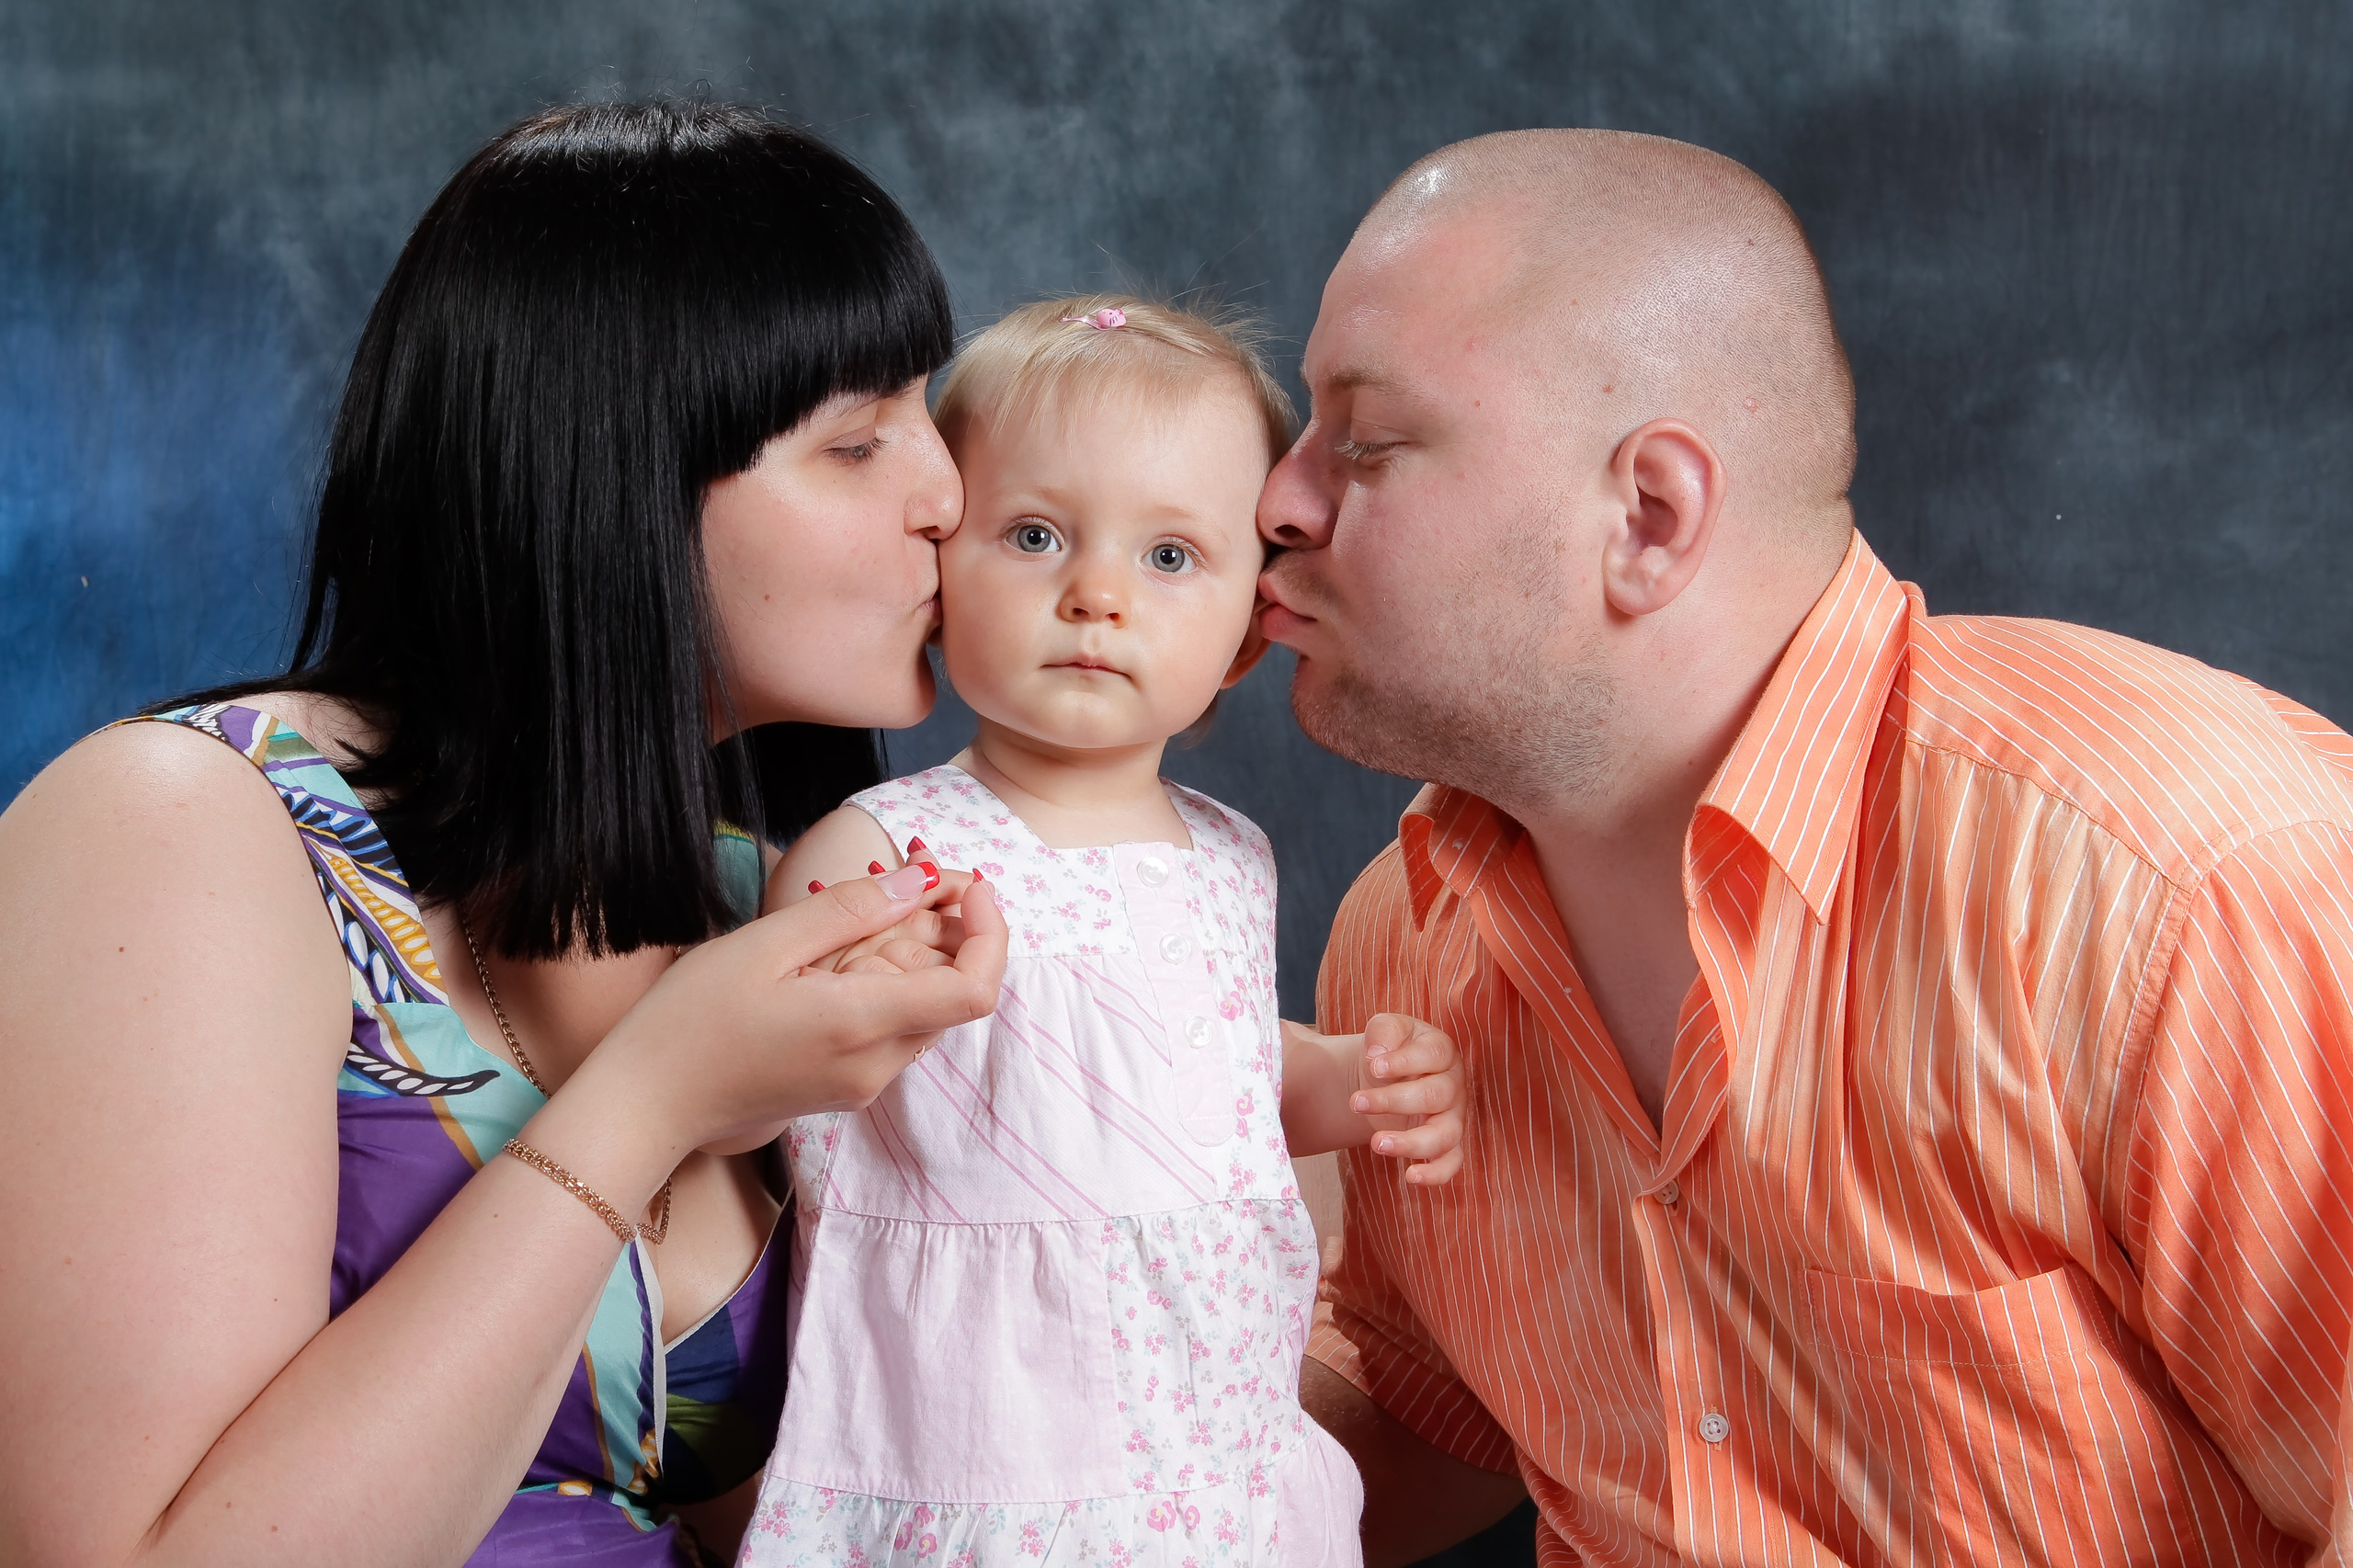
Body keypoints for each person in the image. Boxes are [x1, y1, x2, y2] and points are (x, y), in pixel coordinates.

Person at [1259, 129, 2353, 1566]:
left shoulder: (2175, 877)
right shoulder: (1401, 931)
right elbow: (1431, 1402)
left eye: (1370, 442)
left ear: (1648, 516)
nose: (1279, 499)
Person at [0, 102, 1010, 1568]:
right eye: (857, 442)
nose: (948, 496)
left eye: (929, 414)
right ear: (610, 482)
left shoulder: (765, 903)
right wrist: (651, 1094)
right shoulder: (194, 827)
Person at [734, 297, 1466, 1567]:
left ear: (1248, 632)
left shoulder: (1231, 854)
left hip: (1211, 1449)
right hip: (984, 1441)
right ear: (940, 570)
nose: (1096, 596)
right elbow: (751, 1094)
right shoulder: (882, 850)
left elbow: (1194, 1079)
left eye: (1169, 558)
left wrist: (1340, 1081)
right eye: (1032, 535)